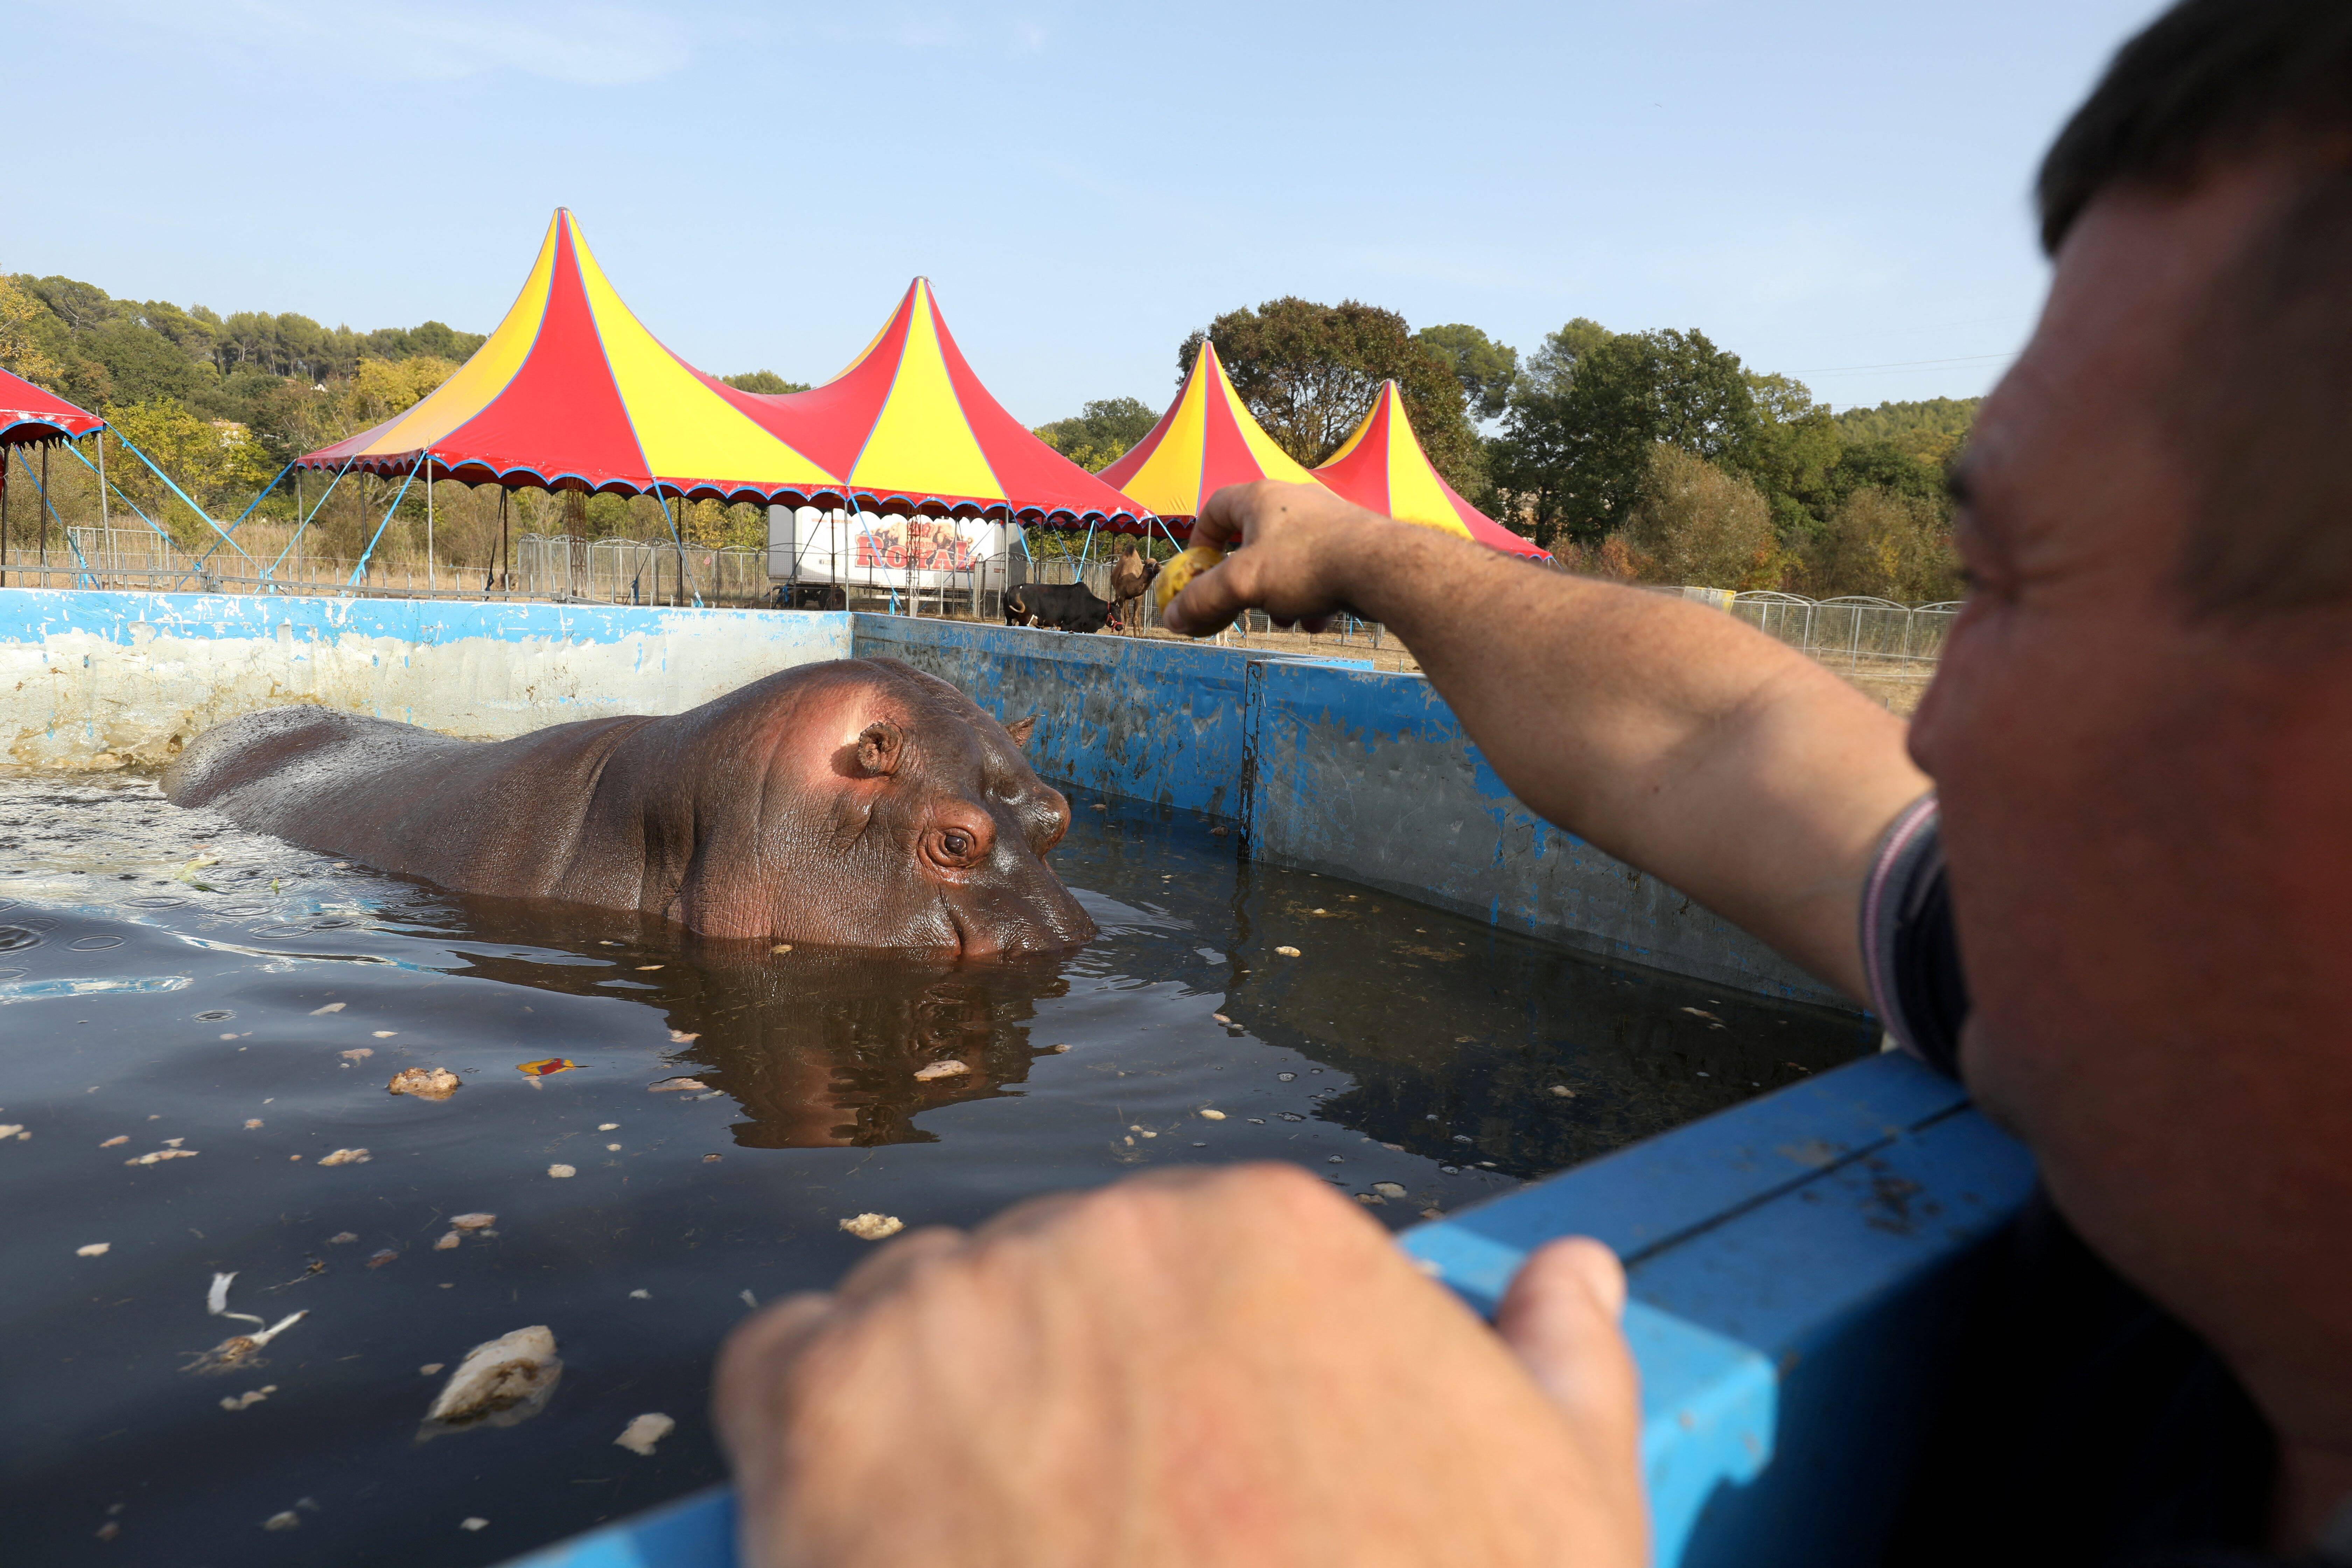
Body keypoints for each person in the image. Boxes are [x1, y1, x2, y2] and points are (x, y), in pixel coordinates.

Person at [714, 2, 2352, 1561]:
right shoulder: (2108, 976)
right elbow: (1722, 745)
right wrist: (1369, 556)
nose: (1929, 725)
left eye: (2017, 584)